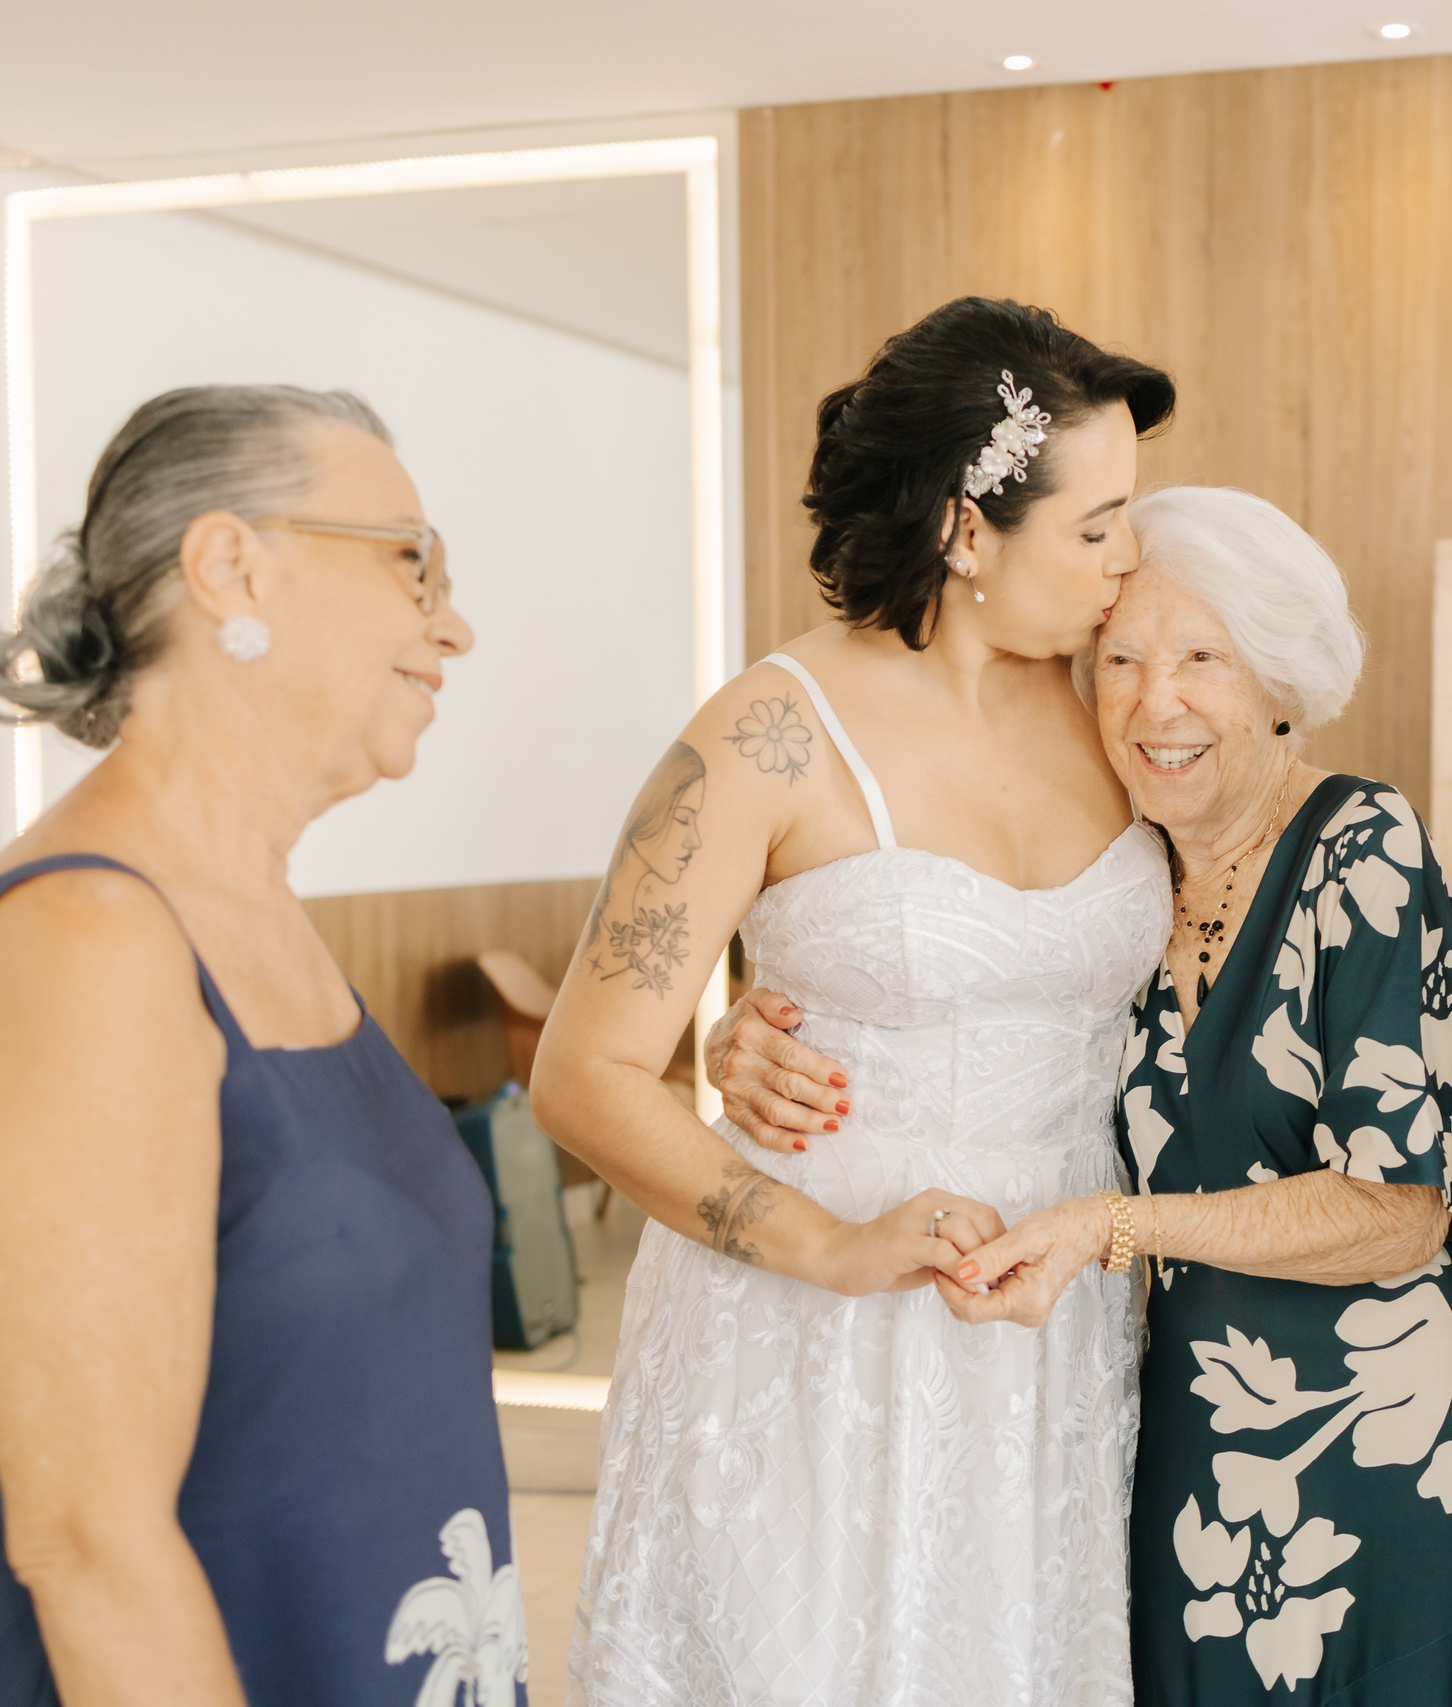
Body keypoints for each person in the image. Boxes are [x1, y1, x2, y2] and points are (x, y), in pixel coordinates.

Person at [716, 486, 1452, 1706]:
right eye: (1120, 661)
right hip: (1199, 1450)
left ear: (1280, 681)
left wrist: (1108, 1227)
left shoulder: (1361, 846)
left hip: (1400, 1445)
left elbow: (1399, 1213)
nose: (1154, 701)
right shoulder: (1122, 880)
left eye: (1201, 660)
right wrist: (754, 1034)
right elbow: (955, 1007)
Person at [533, 298, 1176, 1705]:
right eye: (1095, 526)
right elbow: (583, 1073)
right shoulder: (765, 735)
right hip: (809, 1325)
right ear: (964, 529)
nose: (1130, 558)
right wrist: (823, 1242)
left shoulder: (1121, 697)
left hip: (1058, 1316)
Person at [0, 385, 517, 1706]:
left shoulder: (256, 913)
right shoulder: (86, 944)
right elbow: (91, 1547)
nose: (452, 623)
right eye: (413, 562)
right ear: (232, 565)